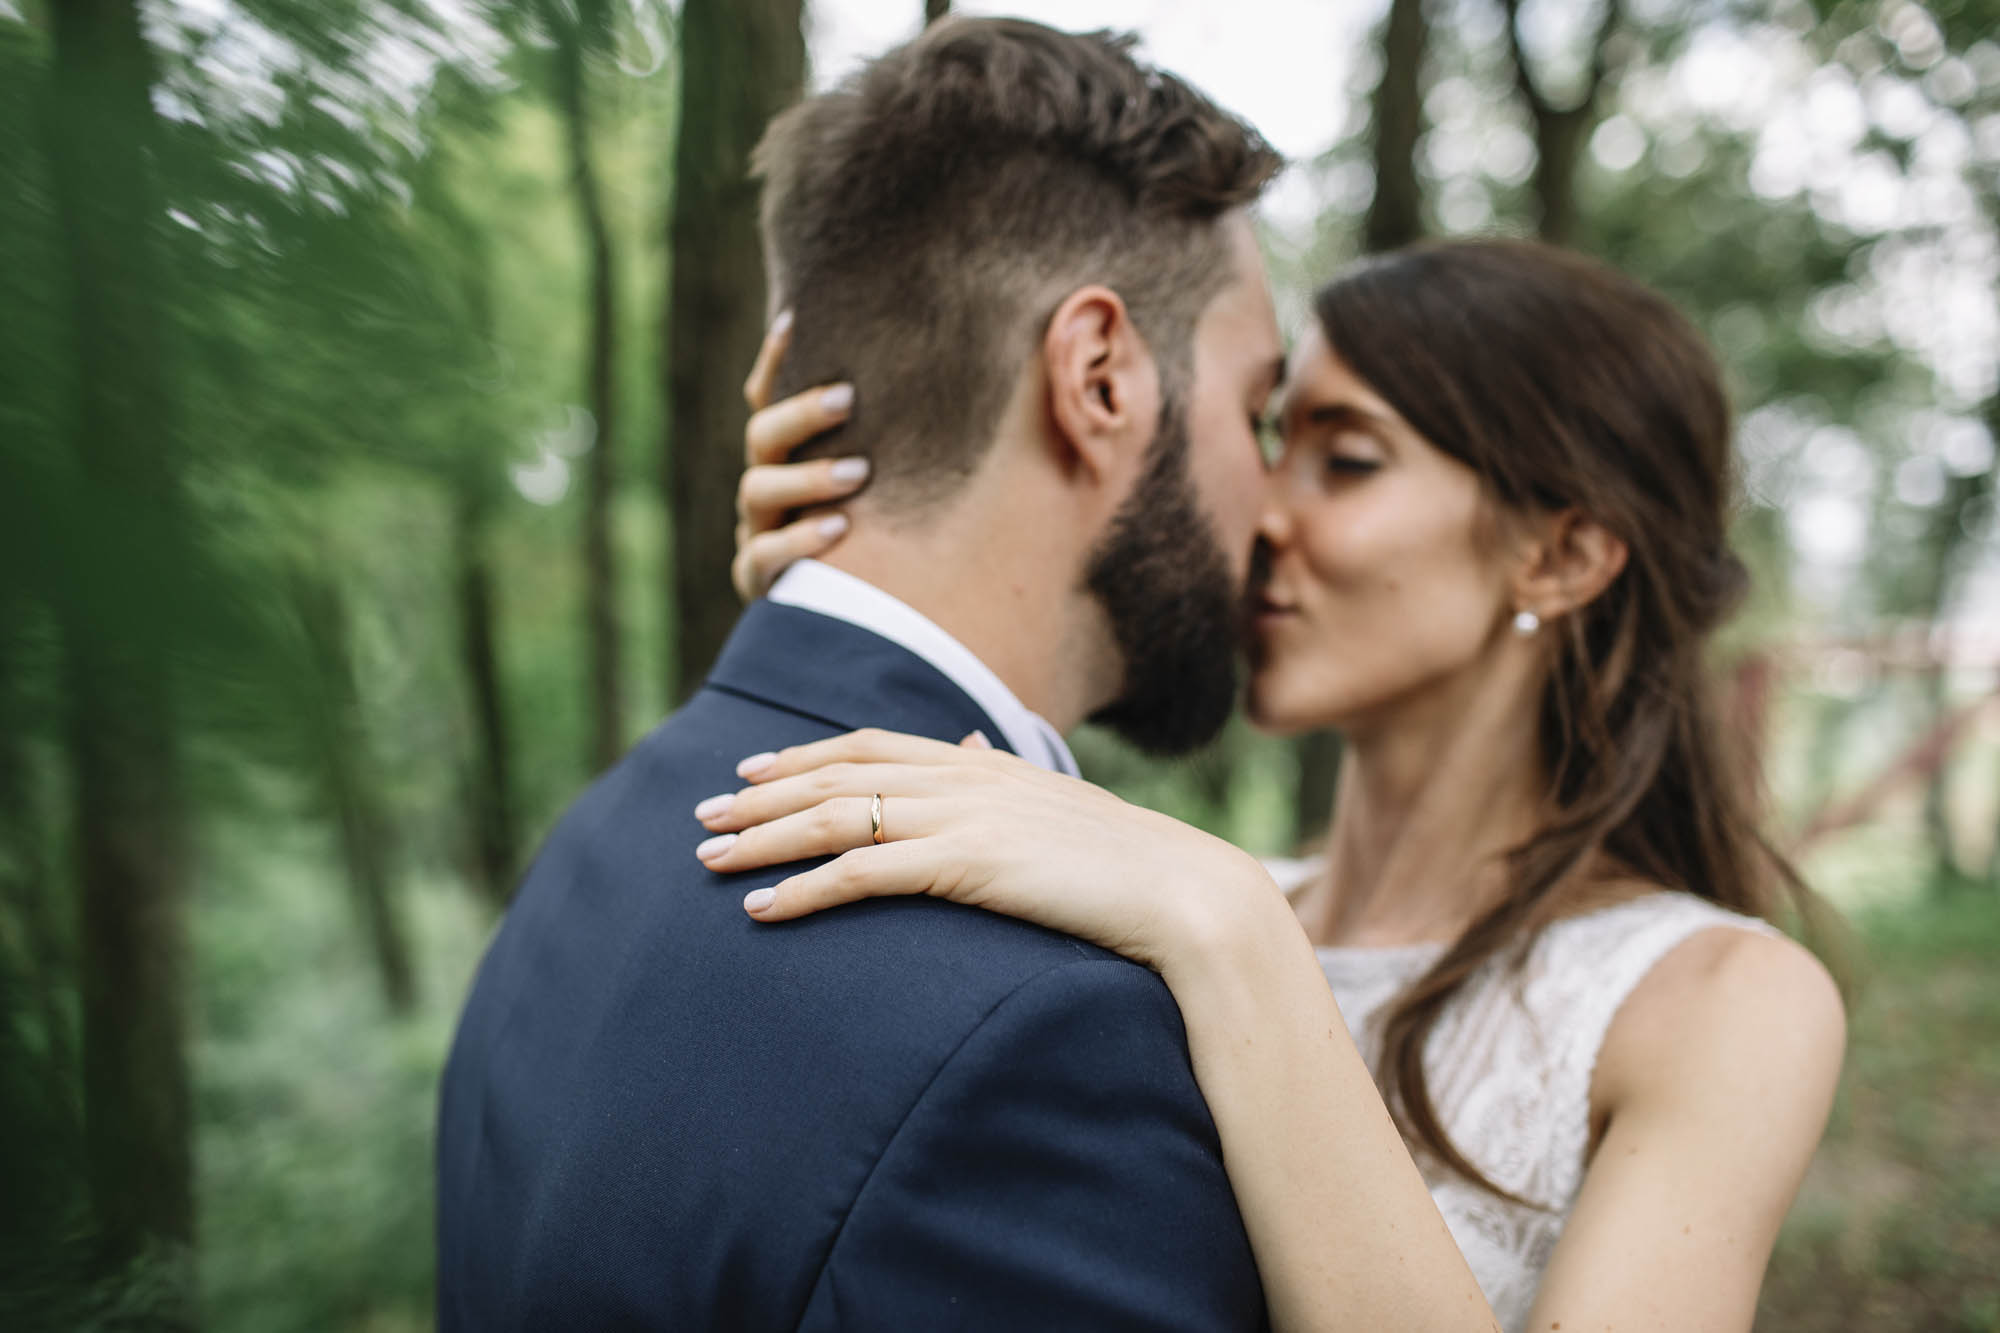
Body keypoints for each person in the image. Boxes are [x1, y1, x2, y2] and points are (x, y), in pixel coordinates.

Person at [706, 238, 1849, 1331]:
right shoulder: (1172, 901)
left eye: (1344, 460)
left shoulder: (1719, 1004)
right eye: (1266, 437)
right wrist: (858, 578)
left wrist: (1240, 933)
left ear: (1557, 556)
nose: (1256, 513)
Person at [435, 17, 1299, 1330]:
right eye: (1260, 412)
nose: (1276, 505)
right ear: (1099, 379)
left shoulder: (600, 838)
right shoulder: (1051, 1027)